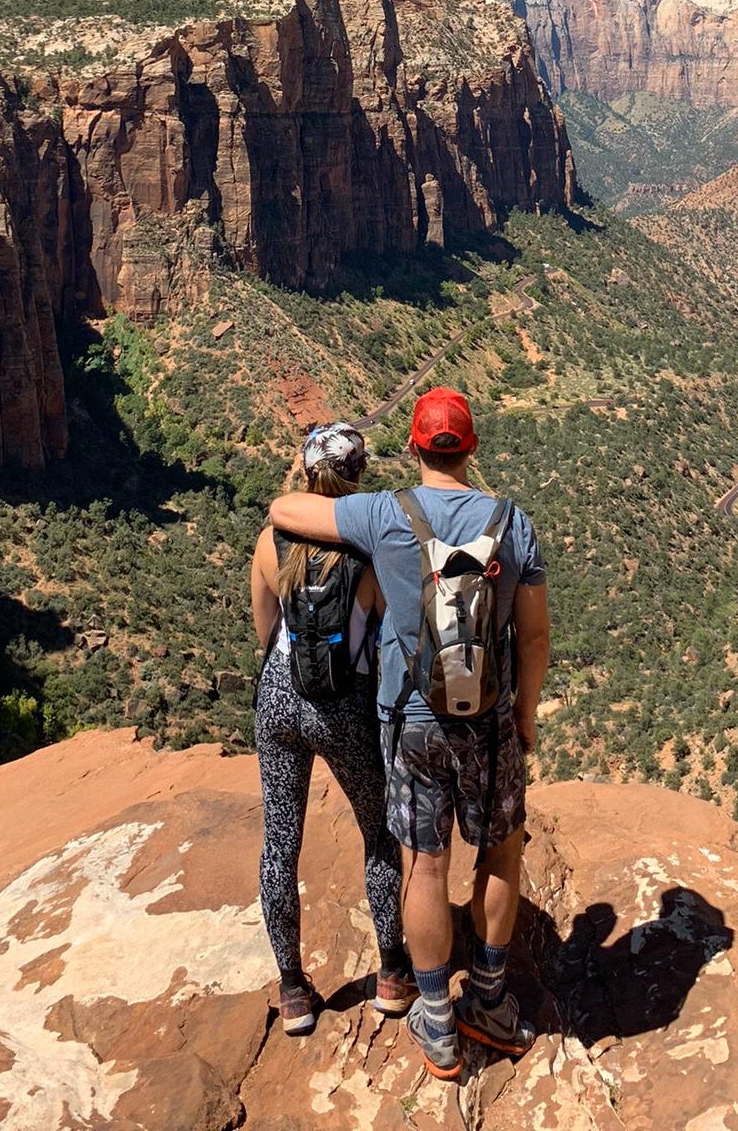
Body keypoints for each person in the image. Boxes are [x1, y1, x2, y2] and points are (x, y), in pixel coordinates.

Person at [270, 386, 550, 1082]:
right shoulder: (513, 524)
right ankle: (488, 998)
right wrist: (525, 716)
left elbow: (285, 510)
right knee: (502, 856)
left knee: (425, 865)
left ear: (417, 447)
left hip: (411, 722)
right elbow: (536, 635)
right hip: (489, 723)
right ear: (472, 446)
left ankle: (434, 1016)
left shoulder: (384, 516)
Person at [251, 421, 416, 1035]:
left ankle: (293, 989)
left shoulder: (271, 543)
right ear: (358, 476)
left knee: (279, 844)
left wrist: (294, 675)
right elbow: (387, 632)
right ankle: (394, 972)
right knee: (378, 834)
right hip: (344, 705)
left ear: (304, 471)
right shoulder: (367, 553)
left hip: (279, 697)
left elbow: (264, 628)